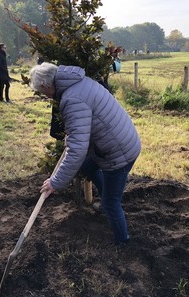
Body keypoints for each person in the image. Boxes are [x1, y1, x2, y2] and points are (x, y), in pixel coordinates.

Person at [30, 63, 141, 245]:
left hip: (119, 152)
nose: (45, 97)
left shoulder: (72, 99)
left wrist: (55, 182)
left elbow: (78, 150)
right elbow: (82, 130)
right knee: (88, 165)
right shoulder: (79, 82)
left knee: (110, 204)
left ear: (45, 85)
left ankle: (123, 243)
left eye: (42, 93)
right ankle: (106, 192)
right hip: (119, 140)